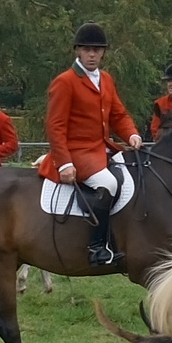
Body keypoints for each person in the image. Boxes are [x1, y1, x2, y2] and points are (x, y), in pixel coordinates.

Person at [36, 23, 142, 268]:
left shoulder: (105, 79)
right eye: (87, 49)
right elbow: (55, 126)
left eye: (97, 49)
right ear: (78, 51)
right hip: (77, 152)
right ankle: (97, 248)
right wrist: (64, 163)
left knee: (135, 174)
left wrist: (132, 135)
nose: (92, 54)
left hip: (102, 147)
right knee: (108, 183)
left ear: (103, 52)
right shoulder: (65, 82)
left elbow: (118, 115)